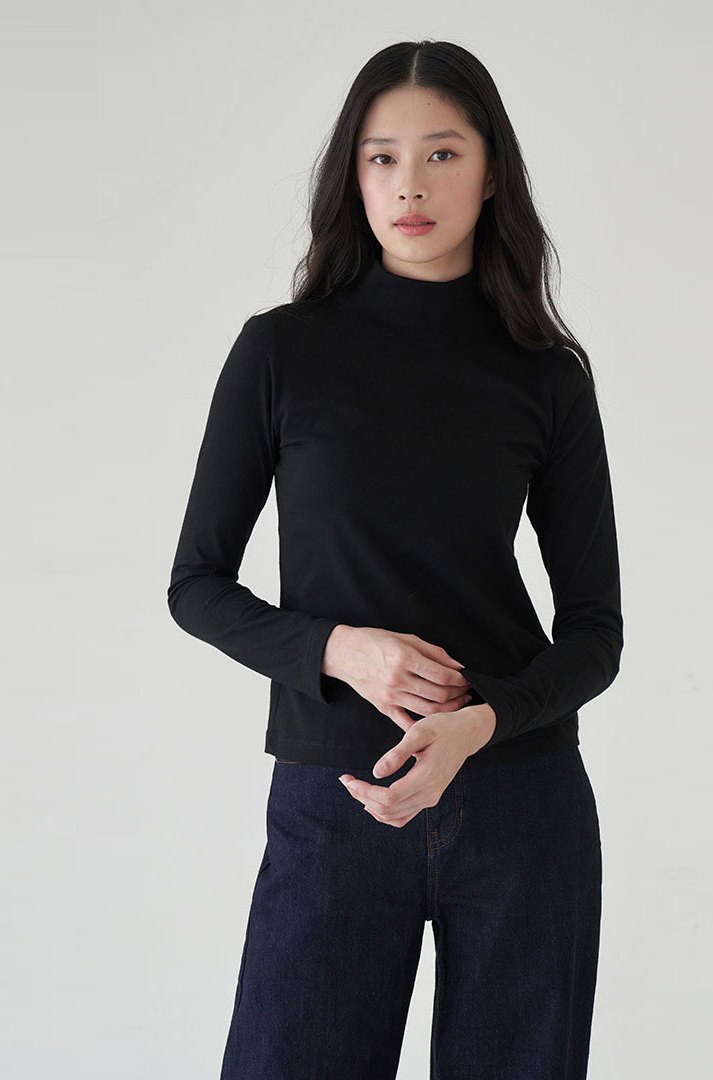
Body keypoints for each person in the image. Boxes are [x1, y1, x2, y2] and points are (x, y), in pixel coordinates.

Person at [167, 39, 623, 1080]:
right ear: (354, 174)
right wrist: (339, 650)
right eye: (382, 158)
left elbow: (597, 632)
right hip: (335, 800)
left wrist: (479, 724)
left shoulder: (547, 376)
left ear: (491, 172)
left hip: (518, 804)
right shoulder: (280, 351)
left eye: (442, 154)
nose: (409, 184)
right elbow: (196, 584)